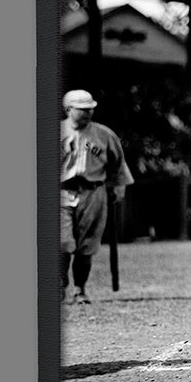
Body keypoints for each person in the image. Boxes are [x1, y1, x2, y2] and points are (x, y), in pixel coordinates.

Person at [60, 89, 134, 303]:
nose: (88, 113)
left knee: (87, 245)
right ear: (68, 109)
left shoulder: (104, 134)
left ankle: (80, 289)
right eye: (82, 110)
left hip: (93, 191)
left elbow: (118, 165)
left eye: (90, 109)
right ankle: (59, 286)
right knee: (61, 243)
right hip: (61, 191)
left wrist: (119, 188)